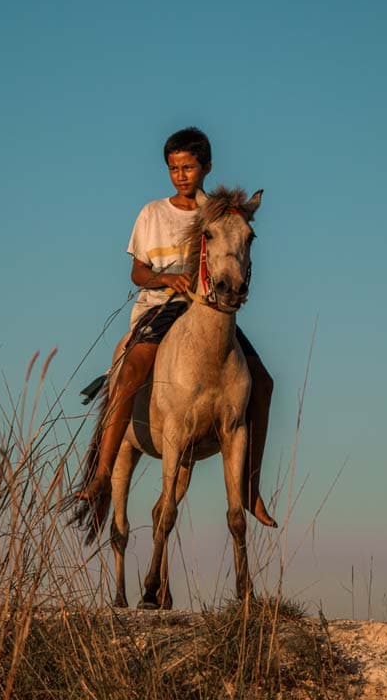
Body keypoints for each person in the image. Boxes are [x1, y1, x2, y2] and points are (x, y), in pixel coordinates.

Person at [77, 127, 276, 528]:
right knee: (130, 370)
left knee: (263, 381)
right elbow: (137, 271)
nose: (181, 175)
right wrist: (167, 280)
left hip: (209, 312)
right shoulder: (153, 213)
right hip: (162, 307)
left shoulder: (218, 215)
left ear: (206, 168)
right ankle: (101, 473)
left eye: (188, 167)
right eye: (173, 168)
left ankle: (250, 487)